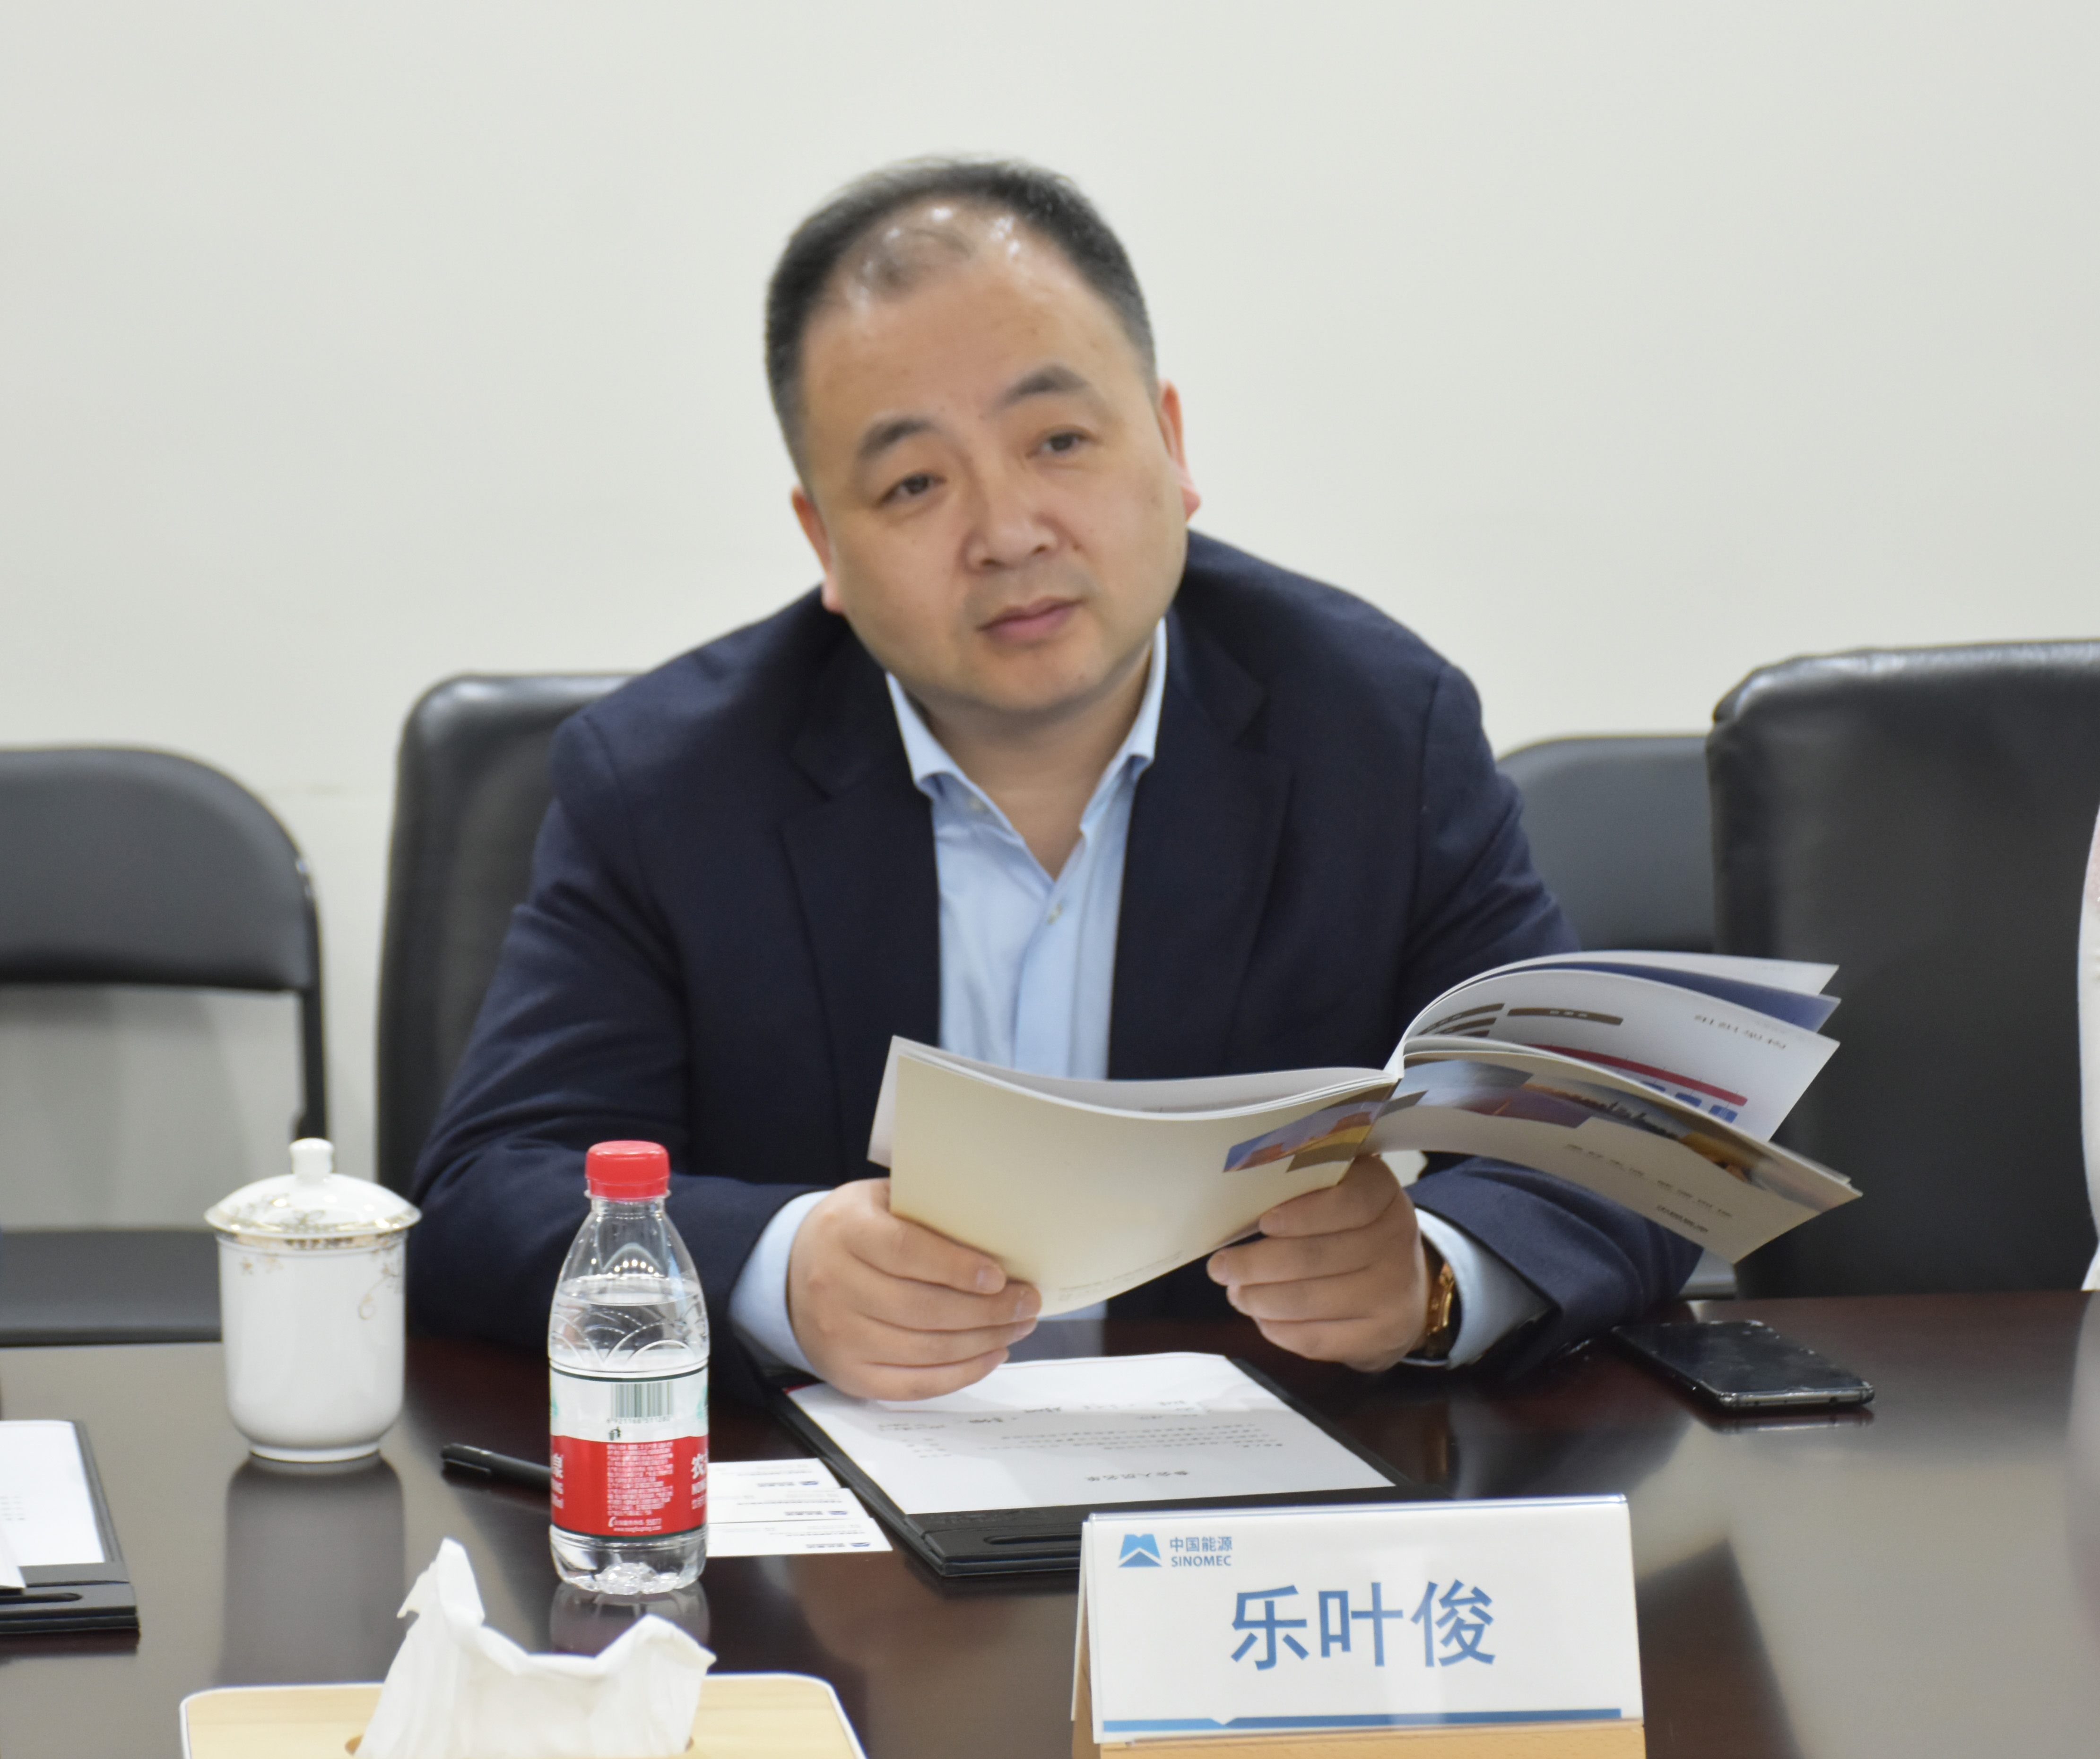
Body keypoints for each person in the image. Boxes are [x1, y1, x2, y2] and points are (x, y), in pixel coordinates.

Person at [408, 159, 1697, 1402]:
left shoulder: (1372, 730)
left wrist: (1426, 1278)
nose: (1009, 531)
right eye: (914, 481)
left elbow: (1618, 1147)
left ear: (1171, 444)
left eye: (1060, 439)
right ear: (824, 540)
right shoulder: (670, 785)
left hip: (1241, 1508)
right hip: (827, 1515)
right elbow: (488, 1189)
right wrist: (781, 1270)